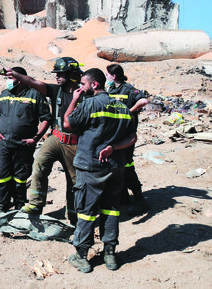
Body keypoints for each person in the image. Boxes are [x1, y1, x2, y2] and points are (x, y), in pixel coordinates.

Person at [63, 68, 137, 273]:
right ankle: (110, 254)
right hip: (115, 167)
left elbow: (67, 123)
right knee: (112, 209)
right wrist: (114, 148)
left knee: (86, 211)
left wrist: (74, 100)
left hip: (91, 167)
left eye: (83, 85)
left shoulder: (89, 103)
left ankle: (81, 256)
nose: (80, 88)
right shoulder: (122, 107)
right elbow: (132, 138)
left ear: (94, 84)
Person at [5, 57, 83, 225]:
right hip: (55, 138)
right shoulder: (56, 90)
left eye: (60, 74)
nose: (56, 77)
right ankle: (35, 205)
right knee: (39, 164)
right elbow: (33, 82)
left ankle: (74, 216)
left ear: (70, 74)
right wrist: (15, 74)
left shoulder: (83, 95)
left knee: (74, 181)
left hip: (75, 143)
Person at [0, 67, 51, 212]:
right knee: (1, 176)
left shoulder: (34, 95)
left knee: (20, 178)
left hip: (23, 146)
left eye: (11, 78)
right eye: (8, 79)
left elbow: (46, 119)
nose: (8, 81)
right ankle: (2, 208)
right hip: (4, 144)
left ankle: (19, 208)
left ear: (21, 79)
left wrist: (36, 138)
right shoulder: (4, 94)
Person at [106, 64, 150, 215]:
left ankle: (140, 200)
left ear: (114, 76)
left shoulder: (129, 89)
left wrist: (129, 112)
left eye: (108, 75)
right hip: (114, 134)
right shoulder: (111, 91)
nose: (106, 78)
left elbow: (144, 101)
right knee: (117, 167)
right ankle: (123, 197)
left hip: (126, 135)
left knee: (128, 166)